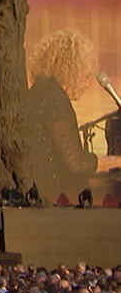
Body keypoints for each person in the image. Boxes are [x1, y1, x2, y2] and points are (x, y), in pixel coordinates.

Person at [26, 30, 100, 201]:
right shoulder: (55, 99)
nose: (89, 84)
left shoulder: (39, 91)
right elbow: (76, 163)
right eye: (87, 77)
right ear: (71, 70)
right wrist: (116, 162)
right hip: (51, 201)